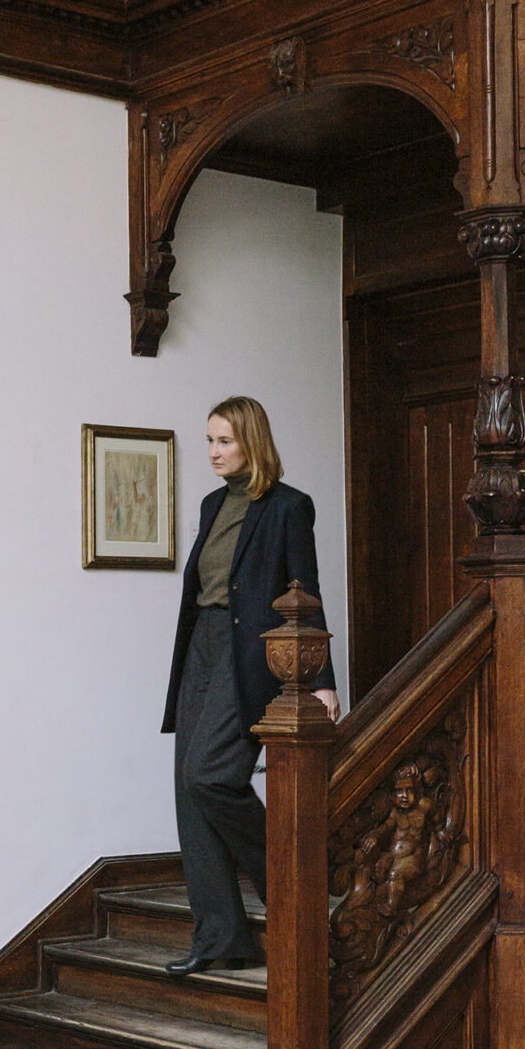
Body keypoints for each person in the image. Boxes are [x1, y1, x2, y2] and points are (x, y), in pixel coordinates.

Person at [162, 395, 339, 976]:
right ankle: (221, 940)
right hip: (201, 648)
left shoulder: (289, 507)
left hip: (251, 655)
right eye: (209, 441)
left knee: (209, 775)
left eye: (224, 441)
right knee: (188, 792)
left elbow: (304, 593)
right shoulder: (214, 504)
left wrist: (321, 678)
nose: (213, 452)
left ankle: (293, 883)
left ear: (251, 441)